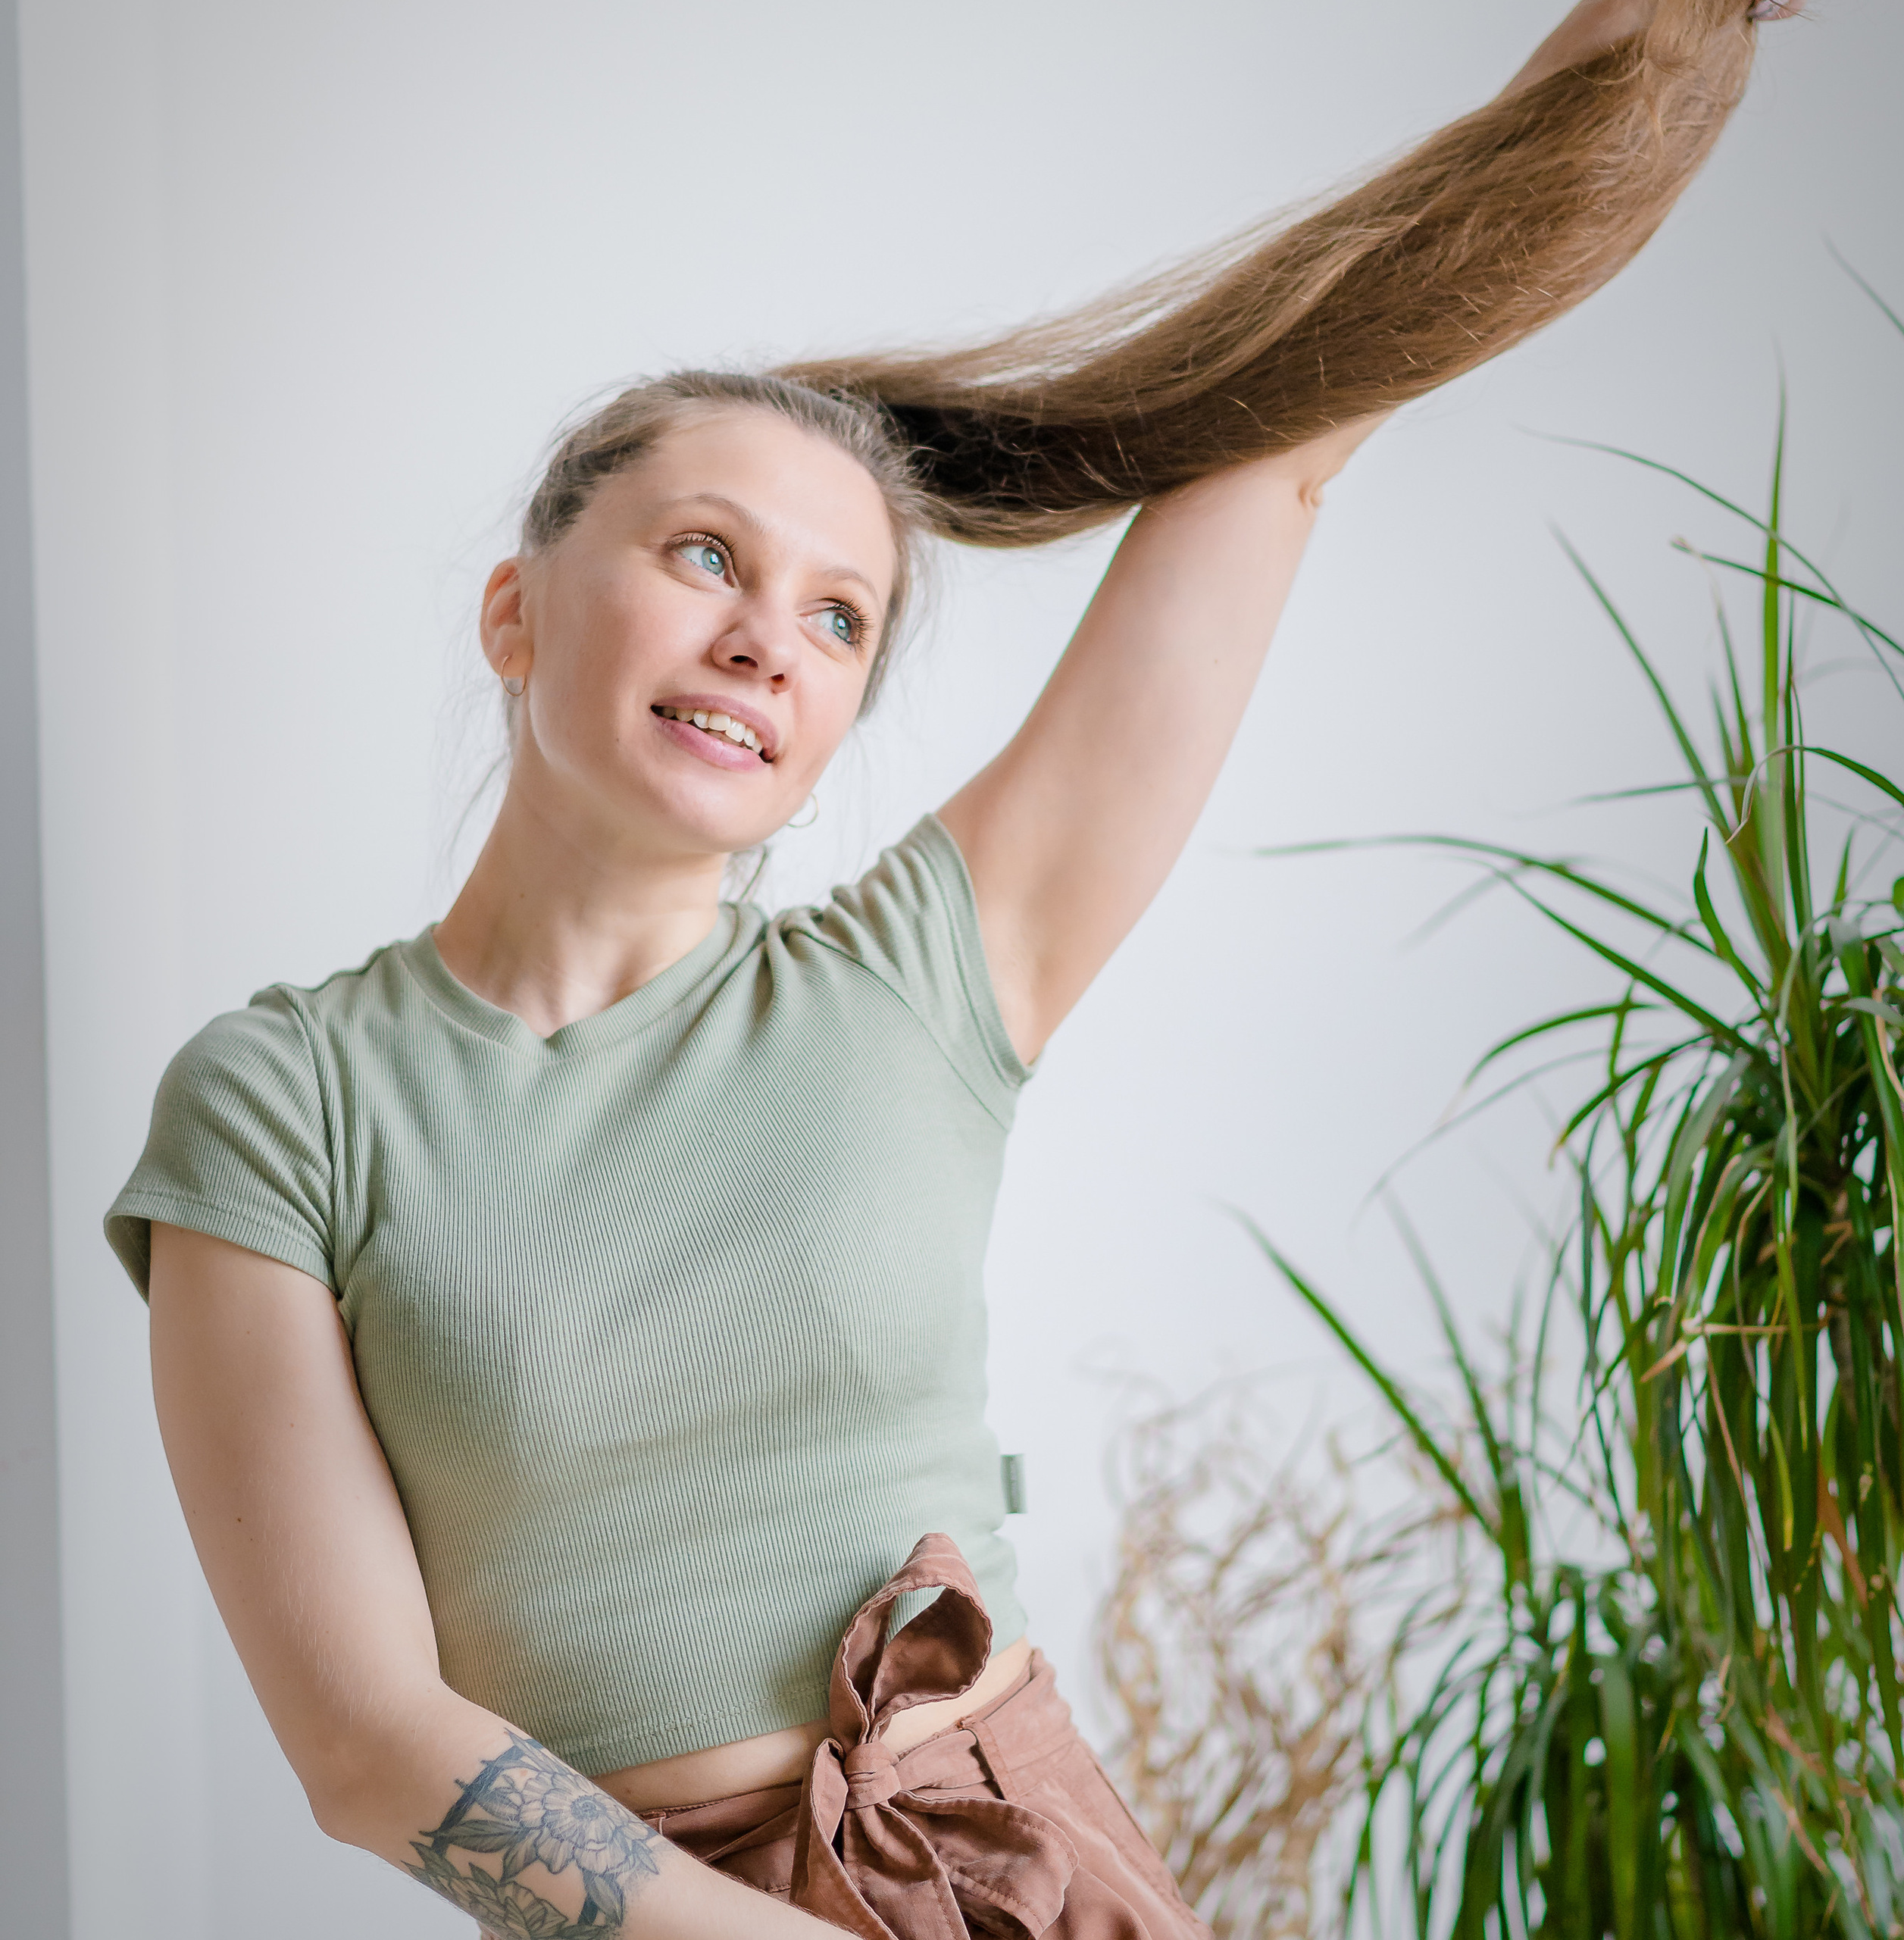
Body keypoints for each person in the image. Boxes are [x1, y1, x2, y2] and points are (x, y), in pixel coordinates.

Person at [105, 3, 1797, 1935]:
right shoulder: (283, 1097)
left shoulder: (921, 973)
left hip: (1022, 1860)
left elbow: (1282, 454)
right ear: (517, 604)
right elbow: (362, 1741)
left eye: (838, 618)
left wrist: (1636, 52)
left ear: (834, 723)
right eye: (703, 555)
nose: (767, 638)